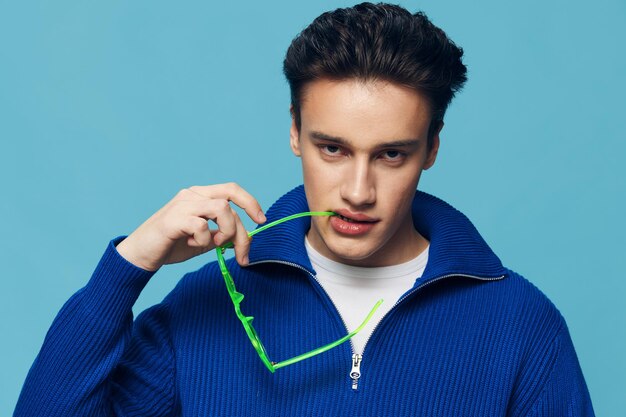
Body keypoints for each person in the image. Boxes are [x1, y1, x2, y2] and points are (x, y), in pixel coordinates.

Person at [14, 3, 594, 416]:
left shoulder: (520, 323)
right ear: (295, 133)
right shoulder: (207, 306)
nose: (358, 191)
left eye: (392, 154)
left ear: (432, 148)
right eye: (332, 149)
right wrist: (128, 267)